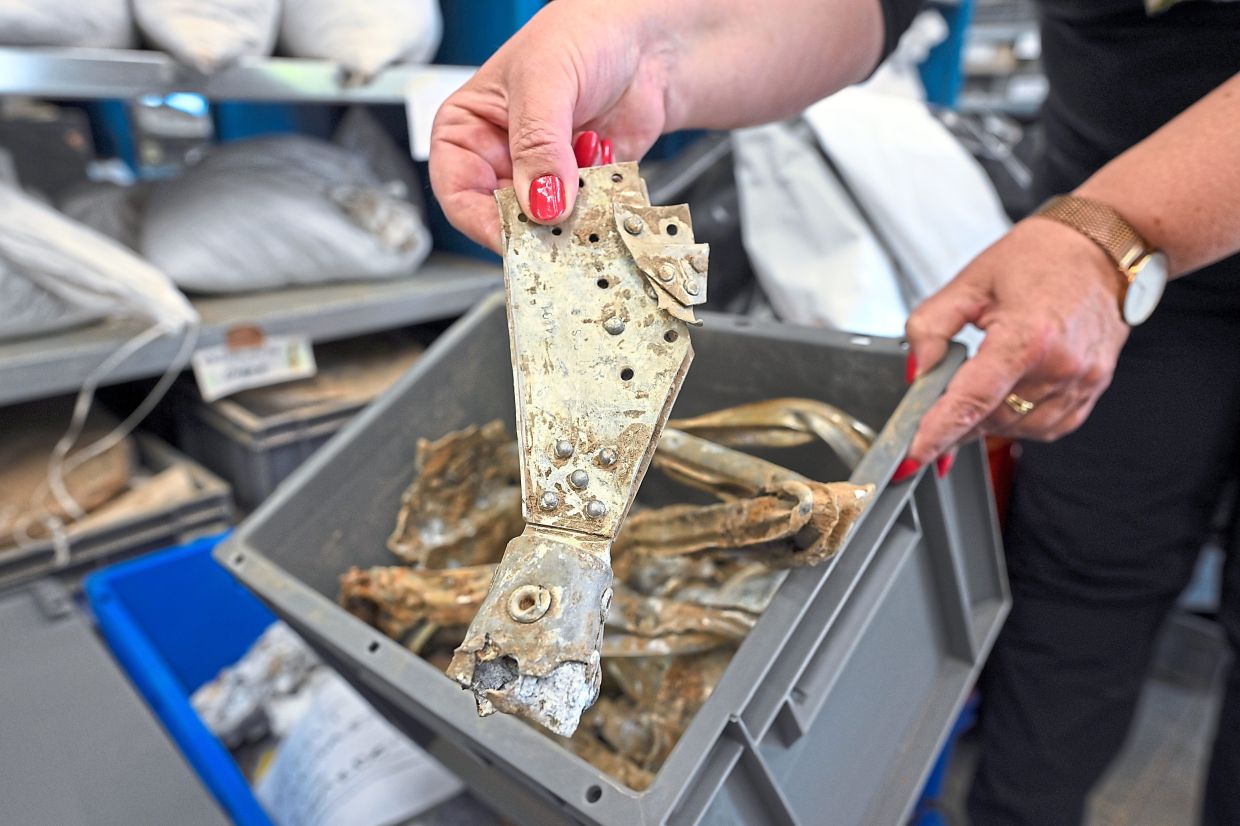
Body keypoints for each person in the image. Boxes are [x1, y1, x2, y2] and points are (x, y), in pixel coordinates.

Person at [428, 1, 1240, 822]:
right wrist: (653, 45)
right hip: (1109, 213)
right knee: (1082, 580)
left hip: (1122, 226)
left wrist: (1111, 232)